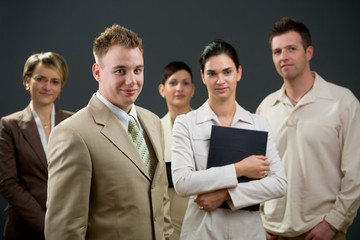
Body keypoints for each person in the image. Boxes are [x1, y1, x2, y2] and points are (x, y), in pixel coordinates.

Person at [44, 24, 173, 240]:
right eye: (120, 70)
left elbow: (161, 203)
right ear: (97, 72)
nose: (132, 80)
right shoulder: (72, 134)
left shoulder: (153, 122)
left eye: (138, 70)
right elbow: (63, 231)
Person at [171, 39, 287, 240]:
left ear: (238, 73)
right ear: (202, 77)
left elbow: (279, 183)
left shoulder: (258, 124)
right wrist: (239, 169)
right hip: (202, 232)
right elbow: (182, 182)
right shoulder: (186, 124)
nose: (220, 80)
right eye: (212, 73)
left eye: (227, 72)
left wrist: (226, 195)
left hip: (248, 233)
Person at [256, 17, 360, 240]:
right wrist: (260, 221)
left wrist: (334, 223)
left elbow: (356, 174)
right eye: (277, 51)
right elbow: (257, 172)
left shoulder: (343, 103)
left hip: (322, 232)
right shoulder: (265, 108)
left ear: (309, 52)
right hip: (271, 232)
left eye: (291, 48)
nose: (283, 56)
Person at [0, 52, 72, 240]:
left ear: (61, 85)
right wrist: (46, 225)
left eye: (55, 81)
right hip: (26, 228)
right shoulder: (9, 125)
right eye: (40, 79)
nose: (47, 87)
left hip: (69, 226)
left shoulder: (74, 122)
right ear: (27, 80)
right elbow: (7, 183)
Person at [158, 61, 195, 239]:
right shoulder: (153, 129)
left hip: (199, 217)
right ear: (162, 89)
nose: (179, 88)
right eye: (173, 83)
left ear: (193, 89)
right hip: (165, 222)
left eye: (185, 83)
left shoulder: (206, 127)